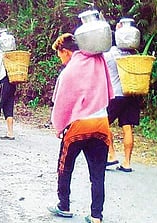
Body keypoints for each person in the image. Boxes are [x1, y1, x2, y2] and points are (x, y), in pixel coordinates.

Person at [47, 33, 114, 223]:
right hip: (101, 123)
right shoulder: (99, 63)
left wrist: (60, 127)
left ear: (66, 51)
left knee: (65, 167)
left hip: (79, 126)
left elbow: (62, 103)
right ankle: (96, 216)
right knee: (98, 173)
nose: (60, 59)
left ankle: (64, 205)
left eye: (60, 54)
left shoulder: (69, 71)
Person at [103, 23, 140, 172]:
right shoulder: (135, 57)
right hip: (131, 95)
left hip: (115, 96)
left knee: (104, 125)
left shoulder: (110, 54)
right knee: (127, 128)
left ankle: (111, 155)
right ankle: (127, 163)